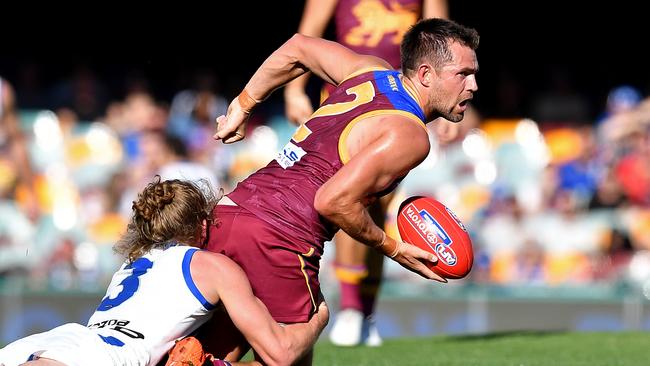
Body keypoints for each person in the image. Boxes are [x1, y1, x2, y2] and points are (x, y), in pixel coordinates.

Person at [207, 17, 479, 364]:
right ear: (426, 75)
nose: (472, 85)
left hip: (230, 210)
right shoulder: (410, 135)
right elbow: (332, 201)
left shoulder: (369, 70)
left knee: (216, 352)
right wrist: (393, 248)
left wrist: (242, 106)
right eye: (462, 74)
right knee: (288, 354)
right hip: (281, 235)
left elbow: (297, 47)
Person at [0, 177, 327, 366]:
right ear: (202, 222)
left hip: (68, 338)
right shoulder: (212, 266)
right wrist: (318, 320)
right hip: (109, 357)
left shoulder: (133, 262)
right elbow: (281, 354)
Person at [283, 0, 449, 347]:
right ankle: (351, 308)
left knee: (381, 204)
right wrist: (294, 89)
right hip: (355, 99)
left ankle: (367, 312)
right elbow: (308, 37)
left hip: (405, 102)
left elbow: (442, 40)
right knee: (351, 198)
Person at [0, 76, 40, 221]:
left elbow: (13, 133)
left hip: (4, 159)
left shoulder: (4, 90)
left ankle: (32, 199)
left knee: (19, 148)